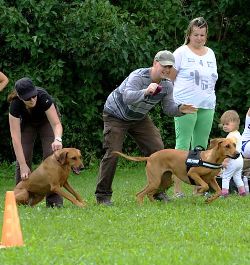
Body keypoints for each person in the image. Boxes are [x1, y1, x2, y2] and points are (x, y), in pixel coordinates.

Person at [95, 50, 197, 205]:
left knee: (158, 149)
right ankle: (103, 196)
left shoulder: (167, 85)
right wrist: (146, 91)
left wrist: (180, 109)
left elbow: (168, 108)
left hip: (138, 118)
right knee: (113, 152)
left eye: (170, 67)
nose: (167, 70)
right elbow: (128, 97)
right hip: (115, 115)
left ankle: (158, 192)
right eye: (164, 65)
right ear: (155, 63)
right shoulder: (138, 76)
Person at [169, 17, 218, 197]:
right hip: (186, 105)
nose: (199, 38)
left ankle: (199, 187)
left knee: (200, 147)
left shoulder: (210, 53)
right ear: (189, 34)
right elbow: (171, 76)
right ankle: (177, 189)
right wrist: (180, 100)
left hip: (207, 104)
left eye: (202, 35)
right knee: (182, 146)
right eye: (196, 34)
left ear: (206, 35)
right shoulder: (181, 52)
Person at [8, 77, 64, 207]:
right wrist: (22, 164)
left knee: (51, 155)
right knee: (24, 157)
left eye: (33, 96)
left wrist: (57, 139)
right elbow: (15, 138)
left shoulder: (43, 96)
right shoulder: (15, 105)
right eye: (28, 98)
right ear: (20, 97)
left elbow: (56, 124)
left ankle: (54, 202)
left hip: (46, 122)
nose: (32, 100)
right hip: (28, 124)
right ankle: (20, 199)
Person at [219, 110, 246, 197]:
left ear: (236, 123)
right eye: (223, 124)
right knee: (237, 177)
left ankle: (224, 194)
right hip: (240, 160)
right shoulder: (238, 134)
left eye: (227, 124)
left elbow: (230, 151)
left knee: (225, 177)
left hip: (232, 160)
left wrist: (225, 161)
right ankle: (242, 192)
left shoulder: (231, 137)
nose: (224, 126)